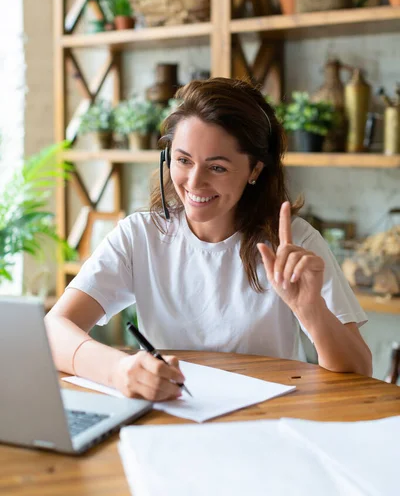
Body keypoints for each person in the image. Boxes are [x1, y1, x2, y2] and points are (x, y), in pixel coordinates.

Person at [45, 78, 372, 402]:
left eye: (217, 167)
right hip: (171, 418)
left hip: (267, 425)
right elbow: (53, 329)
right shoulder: (140, 236)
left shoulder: (295, 243)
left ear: (254, 170)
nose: (194, 182)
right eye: (183, 160)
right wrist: (118, 370)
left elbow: (359, 371)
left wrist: (310, 309)